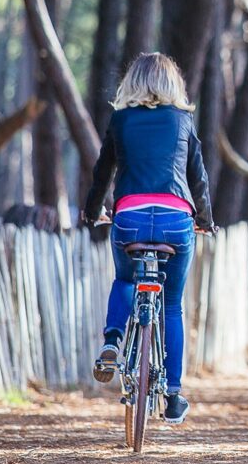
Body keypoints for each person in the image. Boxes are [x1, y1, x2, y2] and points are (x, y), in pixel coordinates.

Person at [82, 52, 215, 425]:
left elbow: (102, 172)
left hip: (130, 219)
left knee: (126, 279)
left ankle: (112, 341)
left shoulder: (121, 119)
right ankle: (173, 396)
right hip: (176, 220)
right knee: (171, 305)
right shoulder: (183, 121)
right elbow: (197, 177)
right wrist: (205, 220)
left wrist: (92, 212)